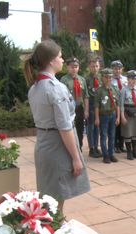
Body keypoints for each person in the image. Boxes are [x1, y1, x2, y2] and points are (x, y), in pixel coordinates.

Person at [23, 40, 90, 212]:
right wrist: (76, 157)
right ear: (51, 61)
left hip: (44, 144)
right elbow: (64, 127)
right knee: (55, 201)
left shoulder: (34, 87)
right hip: (57, 146)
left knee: (49, 198)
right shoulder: (55, 88)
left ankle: (50, 232)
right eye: (60, 57)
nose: (62, 60)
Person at [60, 57, 89, 150]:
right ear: (67, 67)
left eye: (76, 67)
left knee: (80, 129)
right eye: (72, 67)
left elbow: (85, 96)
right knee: (70, 129)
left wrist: (86, 110)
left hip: (79, 107)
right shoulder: (63, 80)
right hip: (69, 109)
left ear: (78, 67)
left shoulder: (82, 80)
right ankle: (71, 149)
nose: (74, 69)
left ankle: (79, 147)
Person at [94, 68, 120, 164]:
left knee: (112, 135)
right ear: (102, 78)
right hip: (103, 115)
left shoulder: (114, 89)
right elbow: (96, 105)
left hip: (112, 114)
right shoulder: (99, 91)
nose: (108, 79)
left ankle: (111, 153)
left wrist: (118, 117)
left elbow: (117, 104)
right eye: (106, 77)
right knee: (104, 135)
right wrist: (97, 118)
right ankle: (105, 155)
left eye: (110, 77)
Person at [119, 70, 136, 160]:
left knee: (135, 133)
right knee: (128, 133)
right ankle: (129, 152)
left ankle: (135, 151)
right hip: (127, 113)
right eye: (131, 78)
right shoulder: (124, 90)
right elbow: (121, 105)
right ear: (128, 79)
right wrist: (122, 116)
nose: (134, 80)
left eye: (135, 79)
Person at [85, 57, 102, 158]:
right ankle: (91, 148)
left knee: (97, 127)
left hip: (99, 106)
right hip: (91, 105)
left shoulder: (101, 77)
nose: (95, 68)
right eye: (92, 66)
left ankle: (96, 146)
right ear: (88, 67)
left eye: (96, 66)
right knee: (90, 127)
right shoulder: (86, 79)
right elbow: (85, 95)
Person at [111, 60, 128, 154]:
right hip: (115, 105)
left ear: (122, 69)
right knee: (116, 126)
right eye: (115, 69)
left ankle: (121, 144)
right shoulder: (110, 80)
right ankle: (115, 145)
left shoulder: (125, 79)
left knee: (123, 126)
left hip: (124, 105)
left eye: (119, 69)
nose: (117, 71)